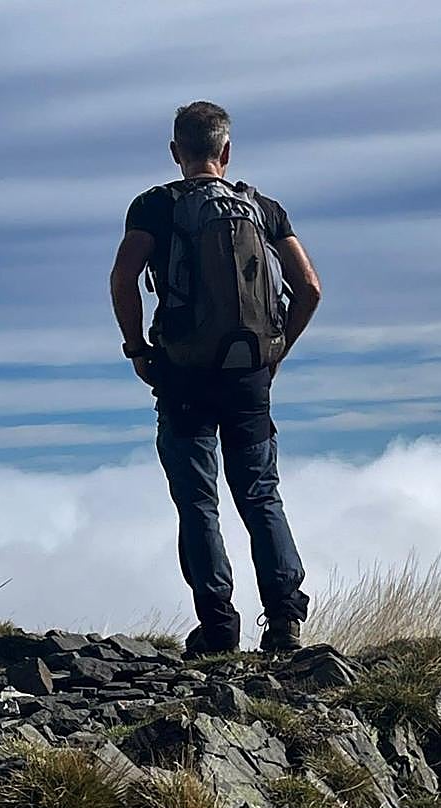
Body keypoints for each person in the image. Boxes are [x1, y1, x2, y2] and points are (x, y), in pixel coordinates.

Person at [109, 101, 322, 656]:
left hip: (181, 374)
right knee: (260, 495)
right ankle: (283, 622)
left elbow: (123, 276)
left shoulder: (155, 206)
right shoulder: (265, 209)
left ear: (176, 152)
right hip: (249, 377)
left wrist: (137, 348)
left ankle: (218, 625)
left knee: (198, 500)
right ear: (226, 151)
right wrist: (275, 353)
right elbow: (310, 289)